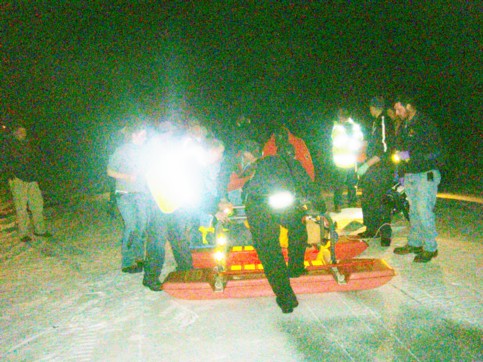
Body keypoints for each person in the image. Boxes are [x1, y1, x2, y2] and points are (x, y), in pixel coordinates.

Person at [234, 134, 325, 313]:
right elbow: (307, 184)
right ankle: (296, 267)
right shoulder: (290, 162)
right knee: (297, 226)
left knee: (270, 252)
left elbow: (240, 180)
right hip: (281, 204)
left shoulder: (256, 164)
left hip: (259, 206)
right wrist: (320, 207)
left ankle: (286, 298)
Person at [392, 95, 443, 263]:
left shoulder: (425, 124)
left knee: (423, 210)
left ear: (409, 106)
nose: (397, 113)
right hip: (411, 174)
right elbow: (400, 151)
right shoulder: (405, 126)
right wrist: (400, 173)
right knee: (413, 211)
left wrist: (411, 156)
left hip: (425, 174)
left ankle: (430, 247)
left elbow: (435, 151)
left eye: (399, 109)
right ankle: (414, 243)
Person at [107, 119, 150, 274]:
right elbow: (110, 171)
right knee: (131, 227)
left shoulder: (146, 151)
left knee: (142, 227)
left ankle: (140, 258)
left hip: (142, 194)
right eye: (143, 134)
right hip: (125, 194)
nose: (145, 137)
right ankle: (127, 262)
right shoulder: (121, 150)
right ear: (134, 135)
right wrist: (126, 176)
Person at [356, 97, 394, 246]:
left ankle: (385, 234)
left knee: (381, 201)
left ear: (374, 107)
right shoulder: (375, 122)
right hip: (372, 167)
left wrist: (368, 164)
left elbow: (385, 150)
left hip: (381, 168)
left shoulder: (384, 121)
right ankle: (371, 229)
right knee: (368, 198)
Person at [5, 123, 51, 242]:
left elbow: (37, 159)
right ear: (15, 133)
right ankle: (24, 233)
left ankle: (39, 229)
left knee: (37, 205)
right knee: (21, 207)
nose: (22, 134)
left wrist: (38, 172)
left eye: (24, 132)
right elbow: (5, 161)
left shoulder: (29, 144)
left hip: (32, 178)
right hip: (18, 178)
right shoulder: (9, 145)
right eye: (20, 132)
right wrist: (10, 174)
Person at [331, 108, 363, 212]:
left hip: (351, 159)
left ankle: (352, 202)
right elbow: (337, 143)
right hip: (341, 160)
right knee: (339, 184)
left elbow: (360, 139)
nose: (342, 118)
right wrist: (351, 144)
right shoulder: (337, 128)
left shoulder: (354, 127)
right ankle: (338, 205)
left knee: (352, 183)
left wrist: (352, 144)